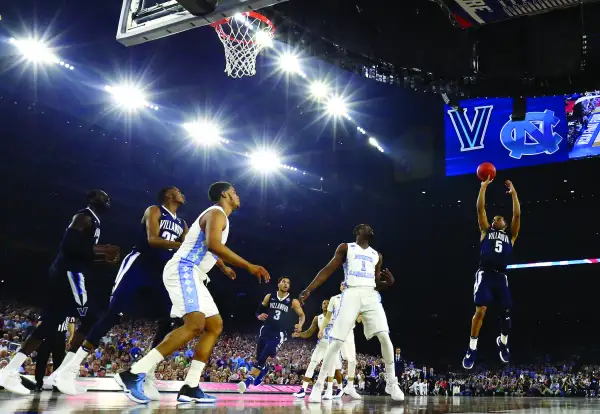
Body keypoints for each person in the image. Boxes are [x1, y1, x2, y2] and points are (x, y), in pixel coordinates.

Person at [115, 182, 270, 404]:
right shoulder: (216, 213)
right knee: (194, 324)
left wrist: (224, 267)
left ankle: (191, 386)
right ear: (225, 194)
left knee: (214, 325)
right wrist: (249, 266)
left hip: (194, 274)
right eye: (234, 192)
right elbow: (214, 245)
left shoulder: (219, 217)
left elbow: (208, 247)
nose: (238, 196)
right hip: (184, 269)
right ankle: (132, 374)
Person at [52, 187, 188, 397]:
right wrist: (184, 245)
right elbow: (153, 240)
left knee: (171, 321)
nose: (182, 194)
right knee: (113, 314)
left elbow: (188, 250)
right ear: (169, 195)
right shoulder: (154, 210)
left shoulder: (182, 224)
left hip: (164, 272)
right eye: (178, 191)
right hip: (139, 264)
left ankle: (146, 373)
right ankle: (68, 369)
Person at [0, 190, 119, 395]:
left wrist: (100, 257)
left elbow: (79, 251)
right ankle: (63, 373)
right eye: (102, 196)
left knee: (50, 323)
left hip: (65, 272)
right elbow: (70, 246)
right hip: (70, 274)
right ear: (91, 199)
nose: (107, 199)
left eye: (108, 197)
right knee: (92, 318)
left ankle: (8, 371)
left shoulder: (93, 220)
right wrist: (99, 250)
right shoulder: (85, 216)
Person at [298, 224, 404, 402]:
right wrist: (309, 289)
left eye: (371, 227)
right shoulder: (346, 248)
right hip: (351, 293)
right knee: (337, 341)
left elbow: (376, 282)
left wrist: (388, 284)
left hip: (370, 294)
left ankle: (392, 382)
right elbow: (328, 269)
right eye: (366, 227)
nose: (370, 228)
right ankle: (318, 386)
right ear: (357, 232)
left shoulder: (377, 255)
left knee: (385, 336)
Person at [462, 178, 520, 369]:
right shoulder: (485, 231)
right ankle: (472, 348)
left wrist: (514, 194)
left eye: (500, 218)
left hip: (501, 276)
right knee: (480, 311)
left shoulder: (510, 236)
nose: (497, 218)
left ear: (504, 223)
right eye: (495, 218)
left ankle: (502, 342)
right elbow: (480, 209)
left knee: (507, 314)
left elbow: (517, 215)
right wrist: (483, 187)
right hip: (485, 274)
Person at [237, 276, 305, 394]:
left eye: (288, 283)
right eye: (283, 282)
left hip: (279, 333)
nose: (286, 284)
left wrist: (300, 325)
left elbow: (302, 315)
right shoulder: (269, 296)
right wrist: (259, 316)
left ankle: (248, 381)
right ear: (278, 284)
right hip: (266, 329)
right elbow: (259, 310)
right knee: (259, 358)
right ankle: (263, 370)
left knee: (264, 356)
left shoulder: (293, 301)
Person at [316, 282, 362, 400]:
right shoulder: (334, 299)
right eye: (342, 284)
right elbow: (327, 317)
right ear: (340, 287)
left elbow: (358, 317)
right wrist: (321, 329)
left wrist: (360, 317)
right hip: (336, 331)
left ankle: (350, 386)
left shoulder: (355, 300)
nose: (344, 286)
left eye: (346, 284)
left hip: (349, 332)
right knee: (330, 359)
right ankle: (322, 387)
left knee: (352, 360)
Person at [36, 317, 75, 391]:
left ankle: (55, 384)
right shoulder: (48, 308)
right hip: (46, 336)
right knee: (41, 360)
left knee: (58, 362)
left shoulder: (70, 311)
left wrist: (70, 340)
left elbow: (72, 330)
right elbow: (39, 324)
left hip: (60, 337)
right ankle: (38, 382)